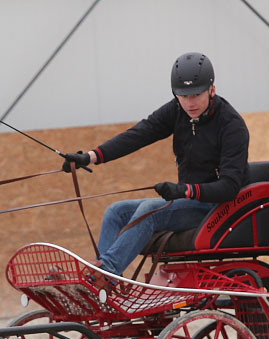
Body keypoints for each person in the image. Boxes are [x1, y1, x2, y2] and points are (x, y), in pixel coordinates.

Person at [61, 52, 249, 277]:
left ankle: (105, 275)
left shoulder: (232, 126)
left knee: (149, 210)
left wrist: (185, 190)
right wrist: (91, 156)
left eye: (196, 95)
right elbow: (139, 134)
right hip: (187, 200)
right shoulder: (177, 110)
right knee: (115, 212)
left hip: (215, 208)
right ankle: (100, 279)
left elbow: (229, 187)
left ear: (212, 89)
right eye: (183, 96)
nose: (190, 103)